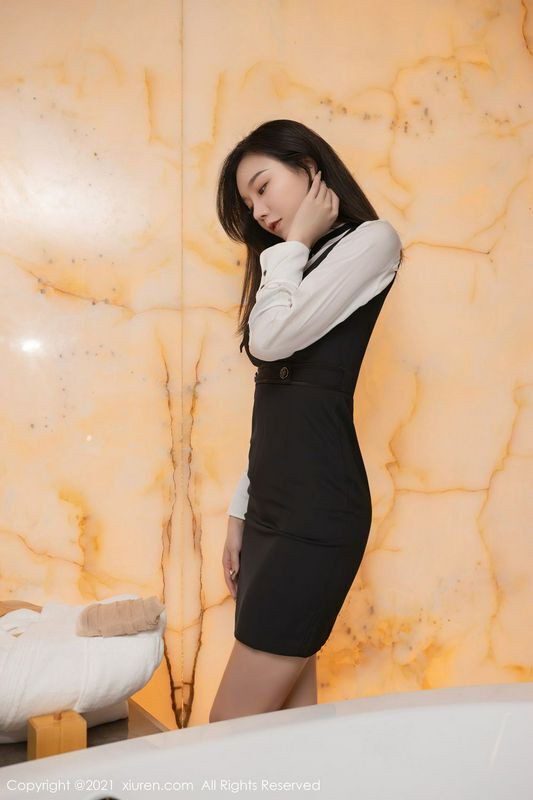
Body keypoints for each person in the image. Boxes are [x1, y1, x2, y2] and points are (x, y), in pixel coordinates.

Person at [210, 120, 403, 722]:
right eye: (249, 204)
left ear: (310, 168)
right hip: (271, 507)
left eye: (263, 187)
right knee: (287, 728)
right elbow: (275, 408)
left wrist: (294, 242)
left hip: (317, 509)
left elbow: (270, 341)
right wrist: (240, 512)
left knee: (227, 730)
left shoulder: (371, 241)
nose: (260, 211)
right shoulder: (290, 266)